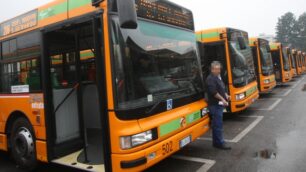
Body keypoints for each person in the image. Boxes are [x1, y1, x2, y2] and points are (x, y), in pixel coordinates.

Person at [206, 61, 231, 150]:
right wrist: (223, 99)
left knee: (216, 124)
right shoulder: (210, 79)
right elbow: (214, 93)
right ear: (212, 69)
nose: (219, 71)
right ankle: (220, 143)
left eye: (219, 69)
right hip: (215, 105)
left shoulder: (217, 77)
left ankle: (216, 142)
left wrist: (226, 95)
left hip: (218, 105)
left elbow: (221, 89)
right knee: (218, 124)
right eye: (216, 69)